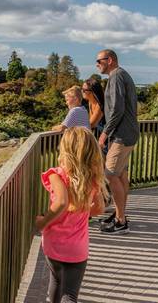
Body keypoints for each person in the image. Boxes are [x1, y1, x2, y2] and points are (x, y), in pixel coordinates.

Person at [35, 127, 108, 303]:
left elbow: (61, 202)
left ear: (65, 149)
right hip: (78, 248)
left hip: (54, 243)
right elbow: (99, 209)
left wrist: (43, 222)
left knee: (55, 281)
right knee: (70, 294)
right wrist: (82, 211)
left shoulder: (57, 175)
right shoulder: (92, 178)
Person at [95, 49, 139, 235]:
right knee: (120, 175)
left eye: (99, 60)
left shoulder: (116, 77)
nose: (97, 64)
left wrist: (104, 134)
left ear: (110, 60)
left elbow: (117, 110)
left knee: (110, 175)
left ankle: (121, 222)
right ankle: (120, 214)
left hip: (121, 135)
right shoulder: (122, 75)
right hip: (127, 133)